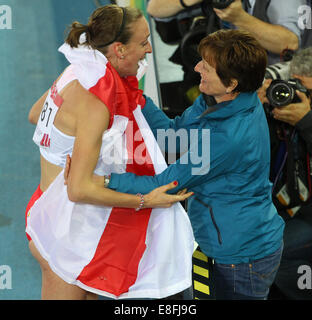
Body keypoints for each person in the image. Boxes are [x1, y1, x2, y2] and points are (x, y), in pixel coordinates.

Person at [67, 29, 285, 300]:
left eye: (206, 67)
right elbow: (172, 135)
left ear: (230, 83)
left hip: (241, 258)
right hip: (223, 241)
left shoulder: (226, 138)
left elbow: (166, 184)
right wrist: (135, 97)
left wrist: (103, 180)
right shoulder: (218, 100)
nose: (196, 68)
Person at [25, 4, 195, 300]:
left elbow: (35, 114)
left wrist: (72, 143)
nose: (149, 51)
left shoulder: (78, 69)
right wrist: (145, 200)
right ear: (118, 49)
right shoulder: (96, 103)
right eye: (143, 43)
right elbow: (78, 189)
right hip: (66, 237)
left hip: (53, 214)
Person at [258, 47, 312, 300]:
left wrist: (308, 122)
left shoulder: (305, 118)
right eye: (301, 90)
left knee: (273, 252)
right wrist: (256, 110)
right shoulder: (285, 112)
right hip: (288, 206)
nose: (303, 99)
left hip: (306, 214)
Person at [147, 0, 306, 65]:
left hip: (271, 83)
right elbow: (154, 9)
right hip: (228, 80)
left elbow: (289, 43)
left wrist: (240, 19)